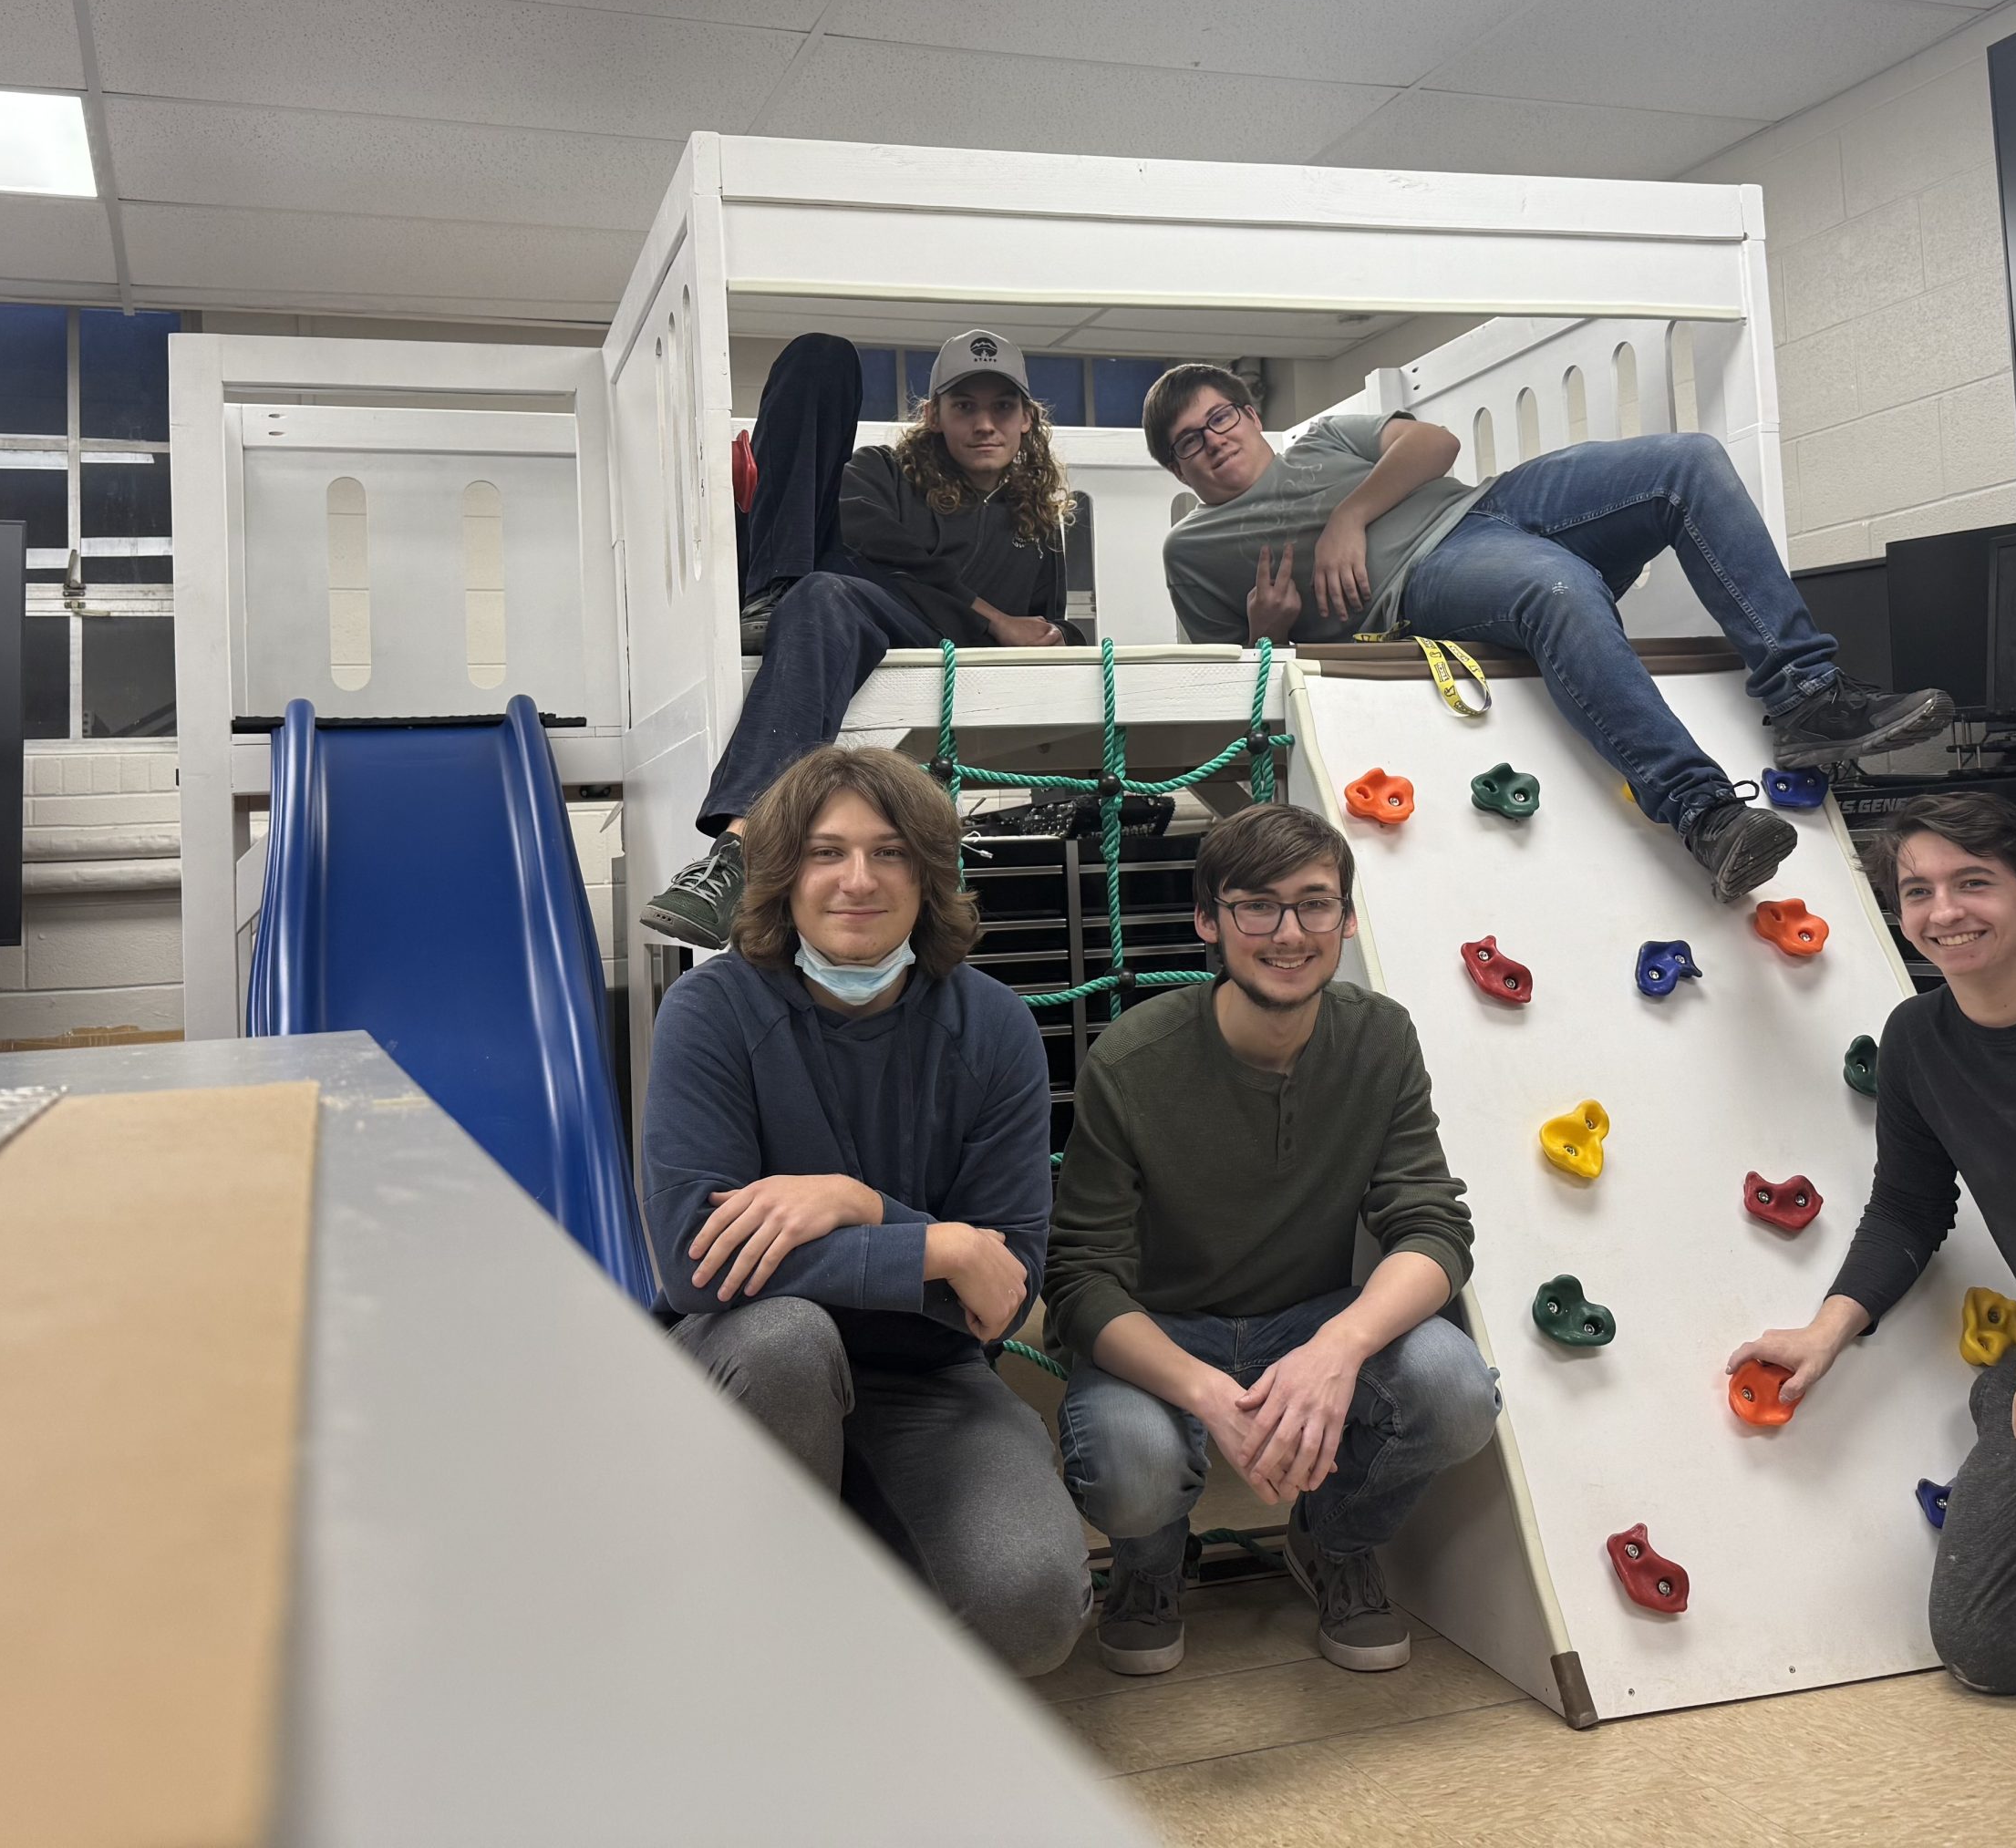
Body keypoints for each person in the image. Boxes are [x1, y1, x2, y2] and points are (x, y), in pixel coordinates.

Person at [1728, 794, 2016, 1783]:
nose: (1944, 910)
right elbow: (1906, 1210)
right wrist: (1826, 1331)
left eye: (1973, 882)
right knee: (1993, 1643)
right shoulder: (1917, 1041)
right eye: (1918, 891)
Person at [1142, 362, 1952, 903]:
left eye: (1222, 418)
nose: (1215, 440)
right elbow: (1222, 706)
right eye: (1191, 442)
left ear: (1251, 416)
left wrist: (1351, 514)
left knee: (1688, 461)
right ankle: (1705, 813)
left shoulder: (1324, 439)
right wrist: (1267, 635)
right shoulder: (1194, 550)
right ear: (1179, 471)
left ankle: (1807, 694)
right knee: (1557, 588)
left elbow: (1434, 445)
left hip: (1491, 504)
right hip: (1421, 586)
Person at [638, 744, 1091, 1677]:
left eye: (888, 853)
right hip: (743, 1366)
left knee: (1031, 1604)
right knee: (786, 1338)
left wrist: (852, 1204)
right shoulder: (709, 1010)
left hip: (924, 1378)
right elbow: (697, 1266)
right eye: (824, 851)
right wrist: (936, 1246)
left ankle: (866, 1588)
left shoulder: (994, 1027)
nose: (857, 879)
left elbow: (1002, 1292)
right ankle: (776, 1660)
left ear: (928, 877)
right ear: (781, 874)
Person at [1044, 800, 1500, 1677]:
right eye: (1257, 905)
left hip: (1309, 1315)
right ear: (1208, 921)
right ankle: (1149, 1564)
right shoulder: (1132, 1059)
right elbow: (1081, 1282)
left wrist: (1340, 1346)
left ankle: (1332, 1540)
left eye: (1315, 903)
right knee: (1131, 1463)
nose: (1288, 933)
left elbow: (1433, 1225)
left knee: (1455, 1392)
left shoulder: (1382, 1037)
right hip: (1166, 1328)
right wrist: (1210, 1395)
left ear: (1347, 918)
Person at [639, 329, 1078, 949]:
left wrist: (1048, 634)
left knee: (821, 596)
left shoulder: (1041, 522)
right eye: (964, 406)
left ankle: (739, 847)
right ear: (931, 416)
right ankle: (739, 847)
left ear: (1028, 419)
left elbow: (1046, 627)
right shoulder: (881, 473)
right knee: (823, 357)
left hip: (893, 626)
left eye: (1002, 407)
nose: (985, 424)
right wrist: (992, 619)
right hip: (851, 597)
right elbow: (877, 548)